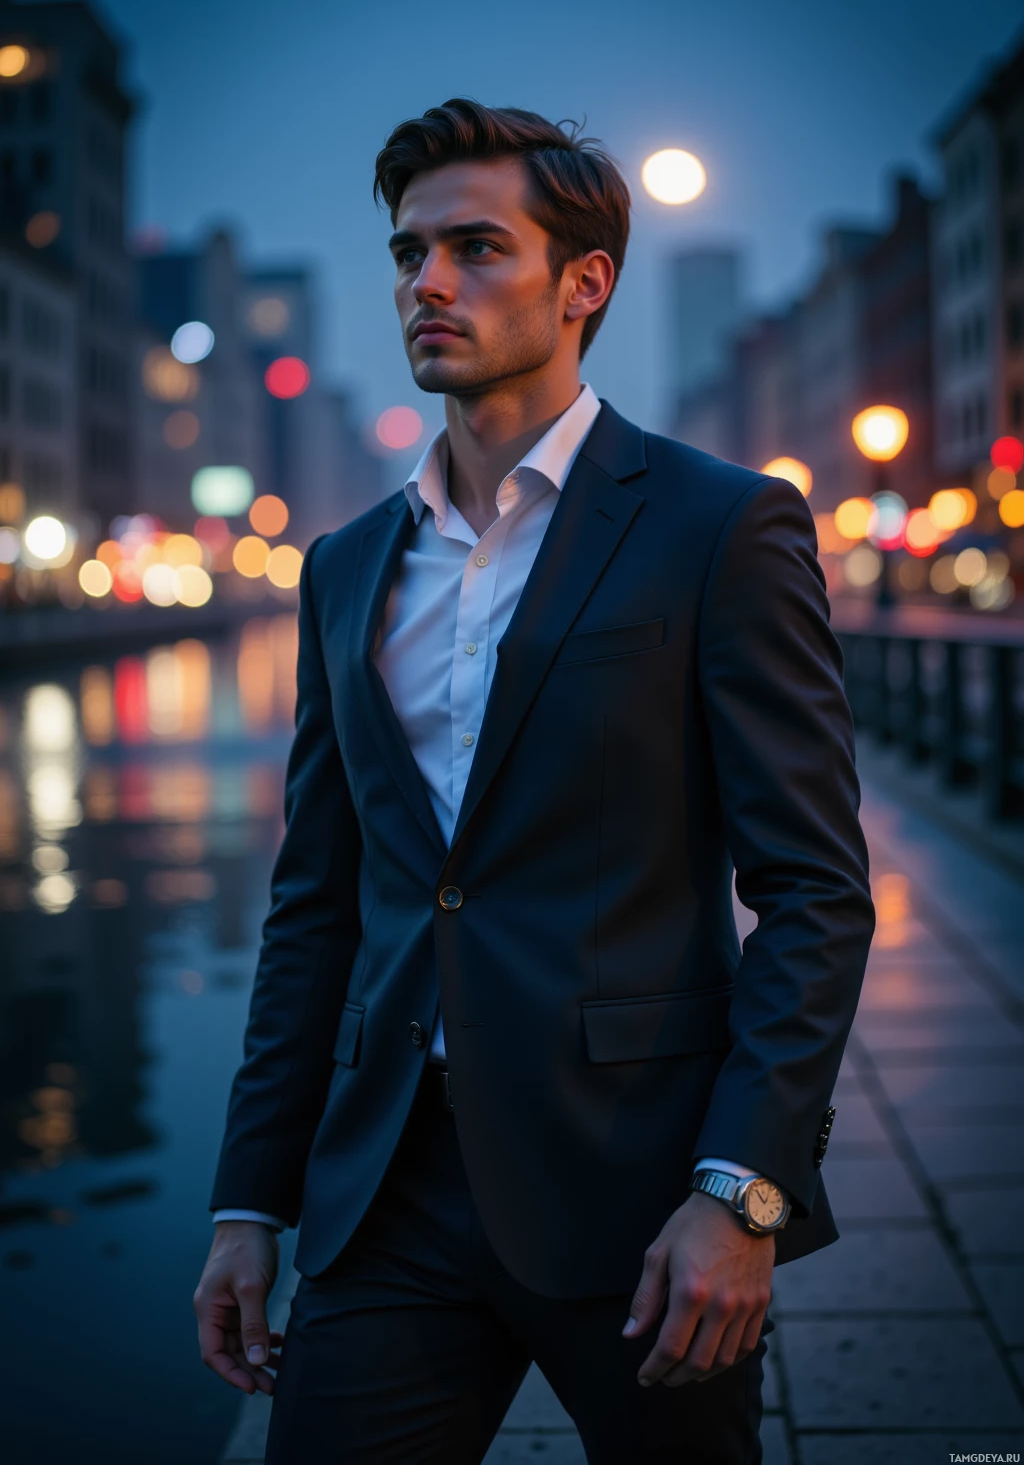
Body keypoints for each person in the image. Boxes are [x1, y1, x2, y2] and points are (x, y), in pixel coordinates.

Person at [194, 99, 875, 1463]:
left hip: (637, 1189)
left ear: (583, 286)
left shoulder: (719, 524)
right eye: (406, 253)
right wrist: (247, 1202)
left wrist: (742, 1195)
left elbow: (810, 891)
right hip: (387, 1190)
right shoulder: (345, 567)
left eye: (473, 248)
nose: (425, 284)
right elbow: (318, 904)